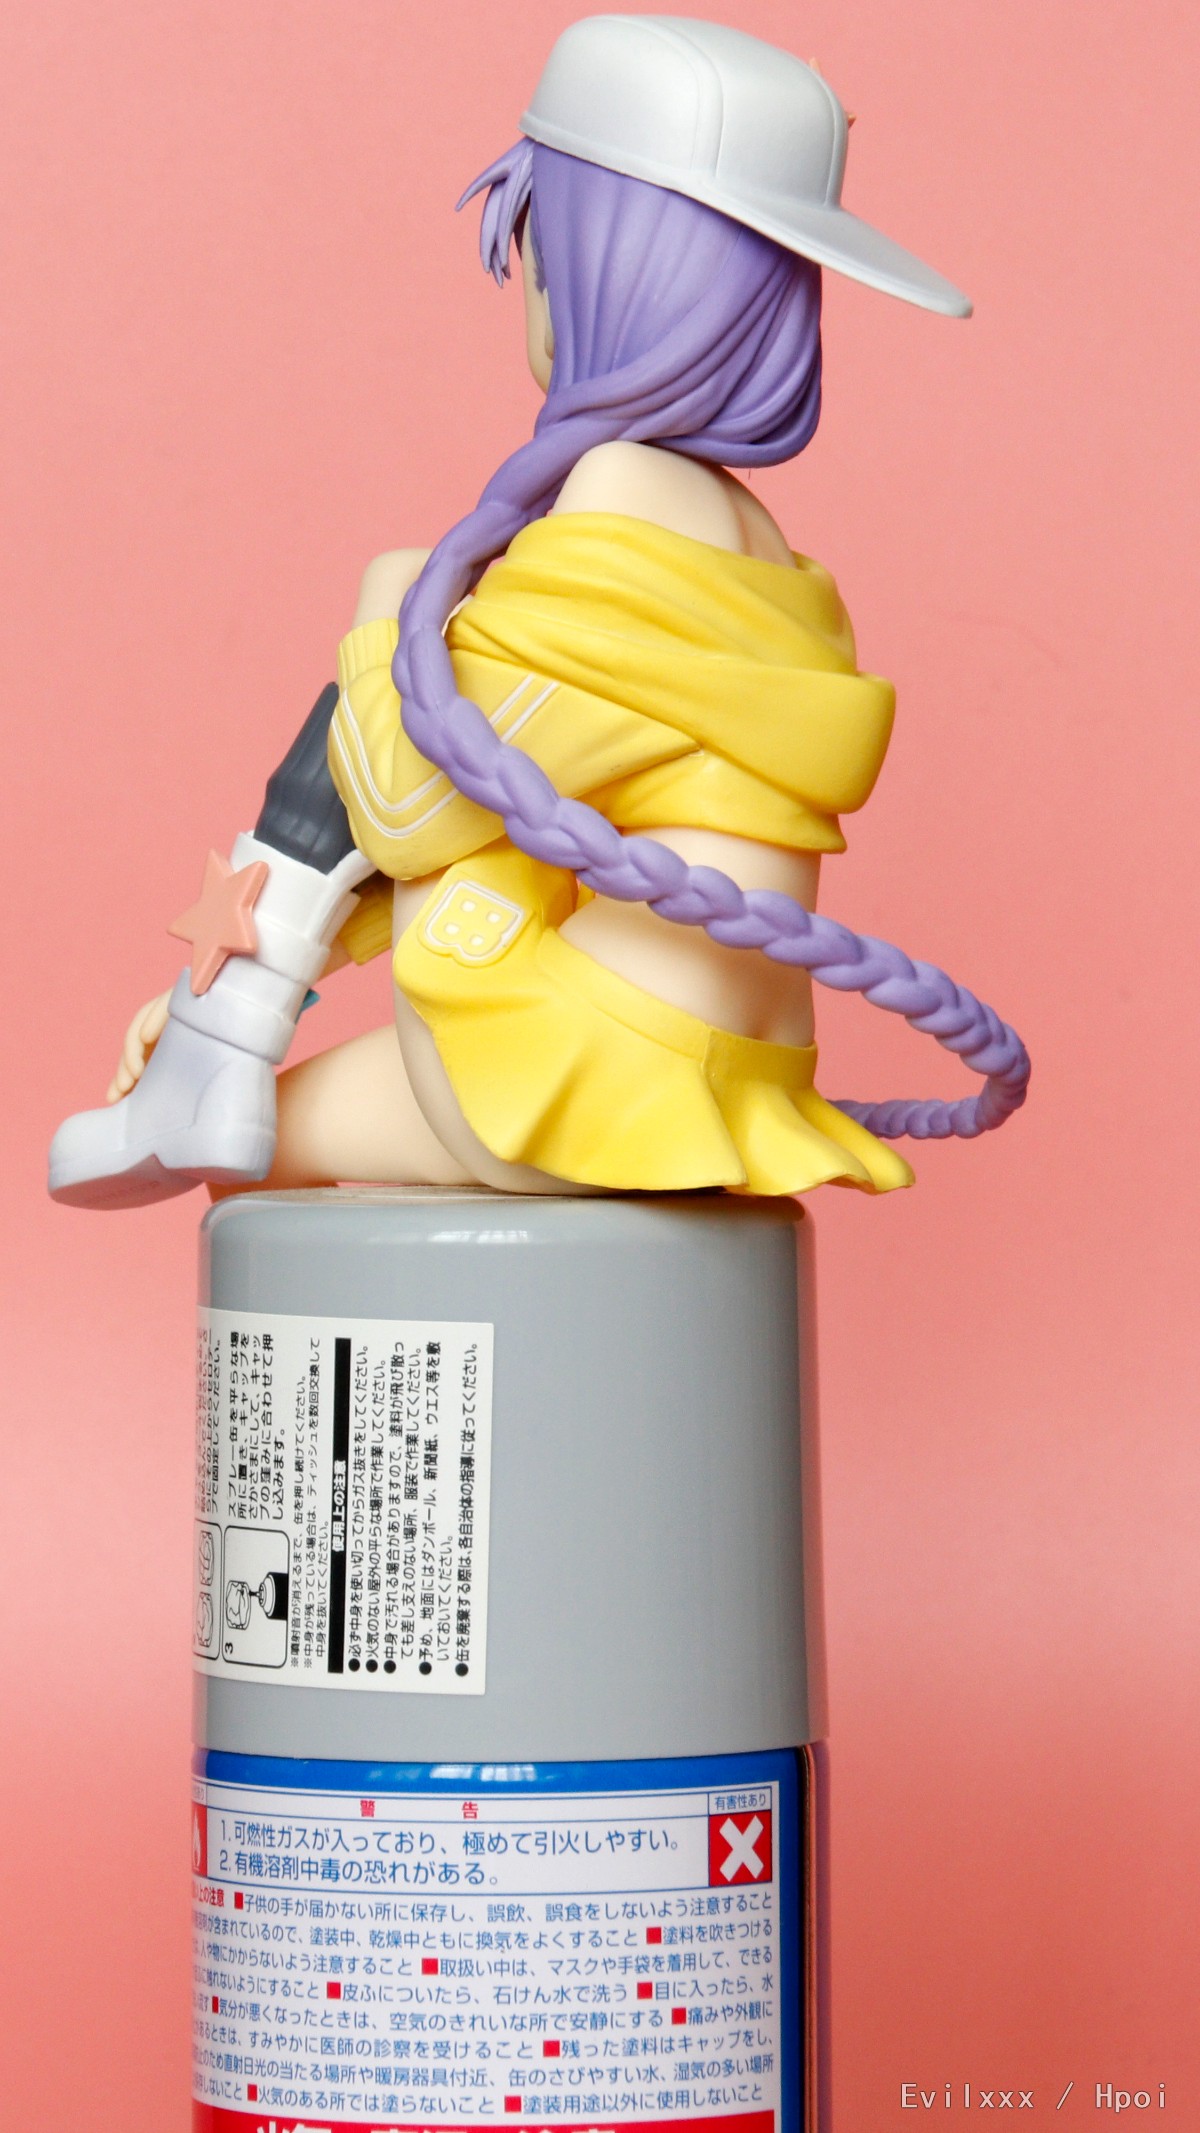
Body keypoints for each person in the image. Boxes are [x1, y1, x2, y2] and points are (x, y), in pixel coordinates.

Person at [48, 15, 1028, 1210]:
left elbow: (410, 807)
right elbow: (534, 805)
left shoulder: (625, 491)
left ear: (600, 268)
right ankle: (217, 1045)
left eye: (540, 247)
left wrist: (389, 594)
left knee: (418, 707)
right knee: (260, 1147)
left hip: (593, 1058)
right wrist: (250, 974)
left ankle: (214, 1055)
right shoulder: (757, 539)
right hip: (723, 1057)